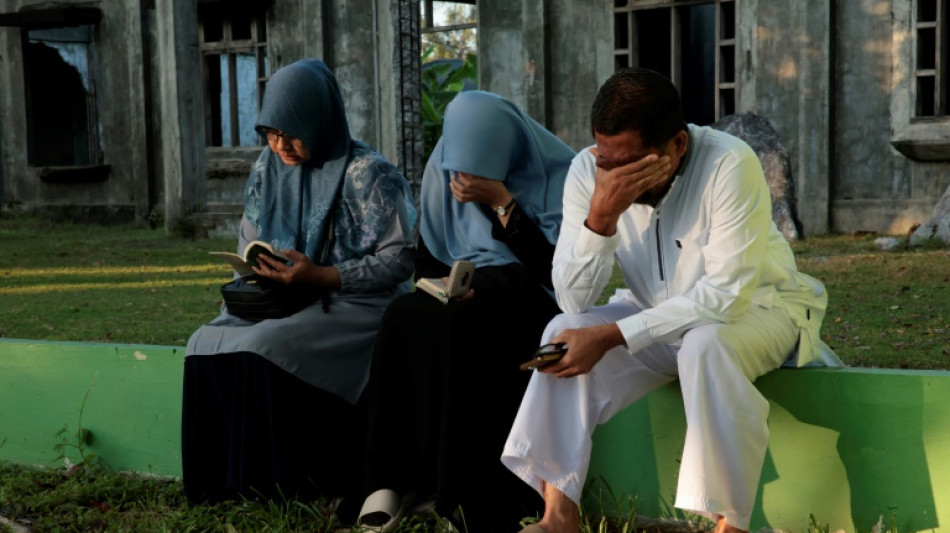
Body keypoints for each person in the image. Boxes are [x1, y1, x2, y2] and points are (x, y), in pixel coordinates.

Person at [501, 67, 841, 533]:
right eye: (607, 160)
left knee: (705, 343)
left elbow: (725, 294)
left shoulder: (728, 162)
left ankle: (729, 523)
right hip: (655, 315)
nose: (615, 175)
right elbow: (572, 297)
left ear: (677, 145)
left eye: (631, 164)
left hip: (761, 310)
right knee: (562, 334)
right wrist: (601, 216)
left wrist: (614, 335)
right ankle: (558, 515)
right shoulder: (589, 170)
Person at [181, 58, 417, 520]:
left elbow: (401, 259)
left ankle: (283, 483)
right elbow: (250, 241)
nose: (280, 145)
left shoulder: (371, 174)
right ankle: (223, 485)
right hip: (281, 298)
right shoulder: (268, 168)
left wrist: (322, 276)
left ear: (320, 119)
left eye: (292, 133)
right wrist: (253, 281)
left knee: (266, 345)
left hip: (353, 303)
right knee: (202, 341)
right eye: (271, 133)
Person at [356, 90, 576, 533]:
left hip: (527, 296)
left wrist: (501, 200)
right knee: (403, 315)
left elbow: (555, 272)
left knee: (468, 328)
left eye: (478, 169)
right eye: (460, 169)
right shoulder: (443, 170)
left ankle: (466, 491)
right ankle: (391, 482)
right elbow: (428, 258)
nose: (463, 180)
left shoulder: (561, 175)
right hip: (462, 295)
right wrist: (443, 286)